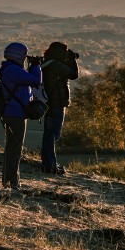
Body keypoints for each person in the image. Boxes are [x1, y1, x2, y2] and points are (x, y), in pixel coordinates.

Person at [0, 42, 42, 191]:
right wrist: (36, 66)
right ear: (18, 55)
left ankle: (10, 180)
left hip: (12, 112)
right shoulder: (14, 70)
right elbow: (36, 81)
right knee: (15, 149)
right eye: (24, 55)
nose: (25, 58)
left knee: (12, 147)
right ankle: (11, 182)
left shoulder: (10, 69)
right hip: (15, 113)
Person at [39, 41, 79, 175]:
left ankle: (48, 163)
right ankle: (50, 165)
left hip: (48, 103)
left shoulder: (47, 63)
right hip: (56, 103)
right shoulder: (55, 66)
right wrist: (72, 60)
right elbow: (74, 74)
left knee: (49, 134)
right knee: (53, 135)